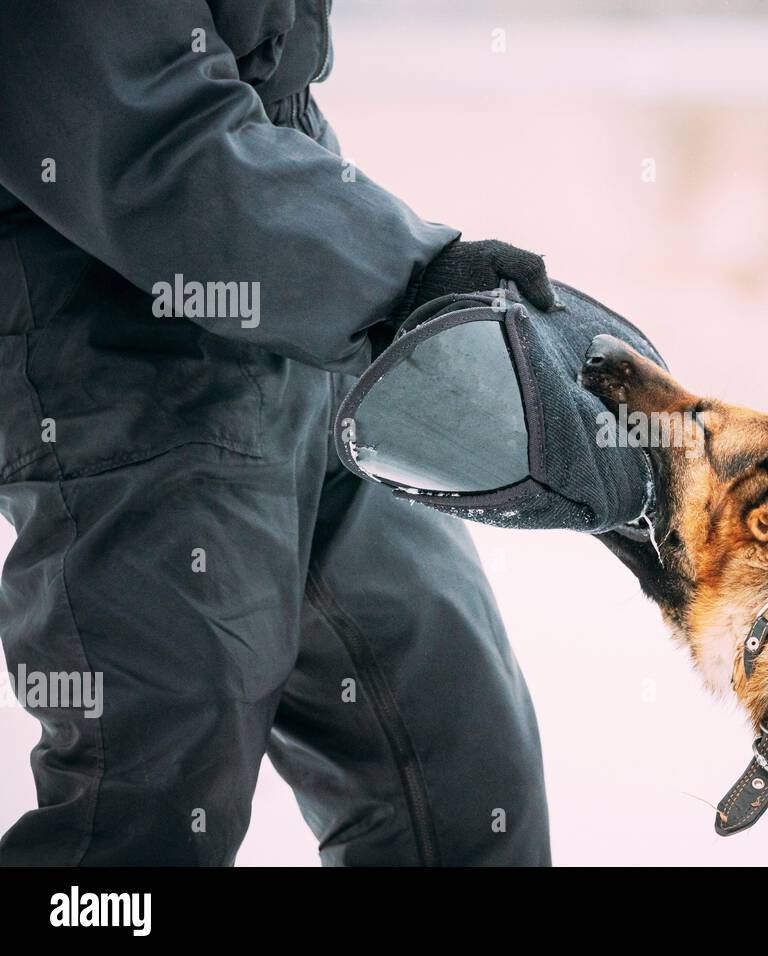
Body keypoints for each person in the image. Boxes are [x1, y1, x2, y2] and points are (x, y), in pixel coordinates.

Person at [0, 1, 553, 865]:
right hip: (111, 329)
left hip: (311, 280)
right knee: (146, 810)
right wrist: (407, 280)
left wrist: (363, 269)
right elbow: (143, 129)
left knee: (458, 759)